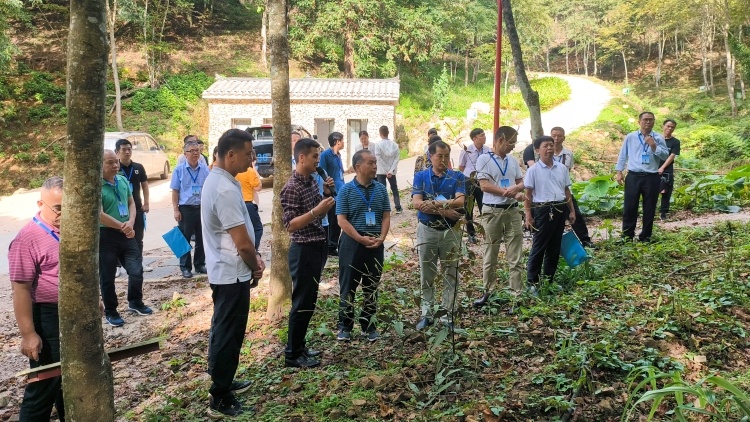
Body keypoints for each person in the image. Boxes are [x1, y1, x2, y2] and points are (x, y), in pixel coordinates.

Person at [201, 129, 265, 418]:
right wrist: (256, 265)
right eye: (248, 154)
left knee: (224, 329)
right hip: (231, 273)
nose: (252, 159)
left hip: (227, 271)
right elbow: (242, 243)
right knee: (229, 333)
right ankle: (220, 395)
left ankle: (223, 379)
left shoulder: (223, 180)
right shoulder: (224, 189)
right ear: (230, 154)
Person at [8, 176, 66, 421]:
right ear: (41, 204)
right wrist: (29, 334)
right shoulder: (27, 239)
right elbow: (20, 290)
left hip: (71, 312)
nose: (64, 214)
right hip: (46, 316)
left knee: (69, 381)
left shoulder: (72, 230)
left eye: (69, 207)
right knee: (45, 382)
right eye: (58, 208)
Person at [281, 138, 336, 368]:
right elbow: (290, 225)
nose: (318, 161)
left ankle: (300, 346)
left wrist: (326, 194)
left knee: (309, 301)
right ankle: (292, 354)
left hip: (317, 245)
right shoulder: (291, 187)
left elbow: (317, 210)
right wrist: (316, 211)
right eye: (314, 156)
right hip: (303, 250)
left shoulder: (312, 181)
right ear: (301, 158)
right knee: (301, 302)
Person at [335, 150, 391, 342]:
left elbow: (386, 216)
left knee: (371, 286)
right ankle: (345, 326)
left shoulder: (381, 189)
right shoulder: (346, 190)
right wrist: (360, 238)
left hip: (375, 243)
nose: (375, 167)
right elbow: (342, 220)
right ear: (358, 167)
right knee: (348, 285)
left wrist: (381, 238)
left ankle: (369, 326)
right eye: (370, 163)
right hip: (352, 243)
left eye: (375, 163)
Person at [412, 140, 466, 331]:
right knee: (427, 273)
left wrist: (433, 204)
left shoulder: (457, 176)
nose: (443, 160)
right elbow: (417, 203)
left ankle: (447, 313)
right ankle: (427, 314)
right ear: (430, 156)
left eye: (446, 156)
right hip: (427, 229)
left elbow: (460, 201)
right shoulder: (421, 176)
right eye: (439, 156)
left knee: (451, 272)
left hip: (450, 231)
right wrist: (445, 211)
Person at [100, 150, 152, 327]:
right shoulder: (96, 186)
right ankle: (111, 311)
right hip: (106, 236)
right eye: (110, 163)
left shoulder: (122, 180)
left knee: (136, 270)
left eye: (116, 162)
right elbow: (99, 215)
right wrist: (123, 226)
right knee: (107, 276)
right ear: (100, 165)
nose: (115, 165)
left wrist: (130, 222)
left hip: (127, 233)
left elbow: (131, 202)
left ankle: (135, 302)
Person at [473, 129, 525, 307]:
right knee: (490, 253)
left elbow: (520, 182)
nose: (513, 146)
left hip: (512, 211)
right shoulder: (484, 159)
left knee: (515, 254)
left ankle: (516, 294)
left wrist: (518, 189)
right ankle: (488, 292)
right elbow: (485, 186)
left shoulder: (513, 160)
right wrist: (509, 192)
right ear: (501, 140)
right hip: (492, 211)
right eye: (511, 142)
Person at [523, 136, 576, 292]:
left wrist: (571, 210)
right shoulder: (533, 170)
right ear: (537, 150)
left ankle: (549, 280)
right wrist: (528, 215)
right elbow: (528, 195)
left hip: (560, 208)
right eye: (545, 146)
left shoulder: (561, 168)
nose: (549, 149)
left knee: (555, 246)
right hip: (543, 209)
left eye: (551, 145)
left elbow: (566, 190)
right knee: (539, 246)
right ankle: (532, 282)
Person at [615, 112, 669, 242]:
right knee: (629, 206)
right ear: (639, 122)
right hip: (633, 176)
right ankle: (627, 236)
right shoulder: (631, 137)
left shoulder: (658, 138)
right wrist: (619, 171)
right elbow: (623, 155)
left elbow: (665, 156)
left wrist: (653, 145)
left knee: (649, 207)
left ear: (654, 122)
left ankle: (645, 237)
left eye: (651, 120)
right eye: (645, 119)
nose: (648, 122)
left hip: (651, 177)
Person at [550, 127, 594, 248]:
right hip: (549, 191)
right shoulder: (547, 153)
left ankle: (585, 240)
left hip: (564, 189)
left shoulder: (568, 153)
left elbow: (568, 171)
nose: (556, 138)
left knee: (575, 215)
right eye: (554, 136)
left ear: (564, 138)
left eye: (559, 136)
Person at [171, 142, 210, 278]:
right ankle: (185, 267)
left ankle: (199, 264)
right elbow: (175, 191)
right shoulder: (179, 170)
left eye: (197, 150)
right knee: (184, 238)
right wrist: (176, 210)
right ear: (185, 154)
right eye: (192, 151)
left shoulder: (205, 169)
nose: (195, 153)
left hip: (201, 208)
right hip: (185, 209)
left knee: (201, 237)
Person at [115, 139, 152, 273]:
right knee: (117, 239)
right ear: (117, 152)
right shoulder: (115, 168)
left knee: (138, 238)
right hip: (119, 210)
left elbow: (145, 185)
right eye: (124, 149)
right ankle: (117, 266)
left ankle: (138, 262)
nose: (127, 152)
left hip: (137, 208)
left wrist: (146, 203)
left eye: (129, 149)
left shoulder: (138, 167)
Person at [458, 128, 491, 244]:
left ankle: (488, 232)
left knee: (485, 206)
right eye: (482, 135)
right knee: (468, 208)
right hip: (469, 181)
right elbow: (461, 167)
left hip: (483, 181)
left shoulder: (487, 150)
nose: (484, 137)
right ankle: (471, 233)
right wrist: (470, 176)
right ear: (474, 138)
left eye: (484, 134)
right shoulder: (467, 151)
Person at [319, 131, 346, 256]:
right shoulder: (325, 155)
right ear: (337, 142)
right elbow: (322, 173)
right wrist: (328, 190)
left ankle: (334, 244)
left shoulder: (338, 155)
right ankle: (330, 245)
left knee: (339, 219)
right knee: (332, 219)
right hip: (331, 193)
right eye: (342, 140)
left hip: (340, 191)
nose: (344, 142)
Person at [235, 150, 264, 247]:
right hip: (247, 204)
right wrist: (254, 169)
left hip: (236, 203)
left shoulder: (234, 171)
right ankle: (253, 250)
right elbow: (258, 187)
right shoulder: (249, 171)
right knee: (258, 229)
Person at [373, 125, 402, 214]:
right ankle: (398, 207)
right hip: (392, 172)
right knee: (394, 189)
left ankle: (384, 209)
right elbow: (397, 159)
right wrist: (390, 170)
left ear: (380, 134)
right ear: (388, 133)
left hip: (381, 170)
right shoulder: (395, 145)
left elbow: (378, 158)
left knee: (382, 190)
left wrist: (386, 170)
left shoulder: (378, 145)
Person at [658, 119, 681, 220]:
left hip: (667, 170)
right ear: (663, 126)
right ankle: (649, 211)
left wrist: (662, 167)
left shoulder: (675, 142)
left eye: (672, 127)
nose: (670, 128)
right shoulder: (656, 139)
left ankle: (663, 213)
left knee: (666, 192)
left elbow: (672, 156)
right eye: (668, 126)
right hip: (653, 168)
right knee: (650, 190)